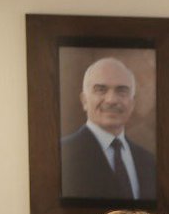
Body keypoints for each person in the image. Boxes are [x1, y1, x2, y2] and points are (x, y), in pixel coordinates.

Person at [60, 57, 156, 201]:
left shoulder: (148, 161)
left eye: (121, 91)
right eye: (101, 90)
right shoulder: (63, 154)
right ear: (84, 100)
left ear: (132, 103)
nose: (111, 100)